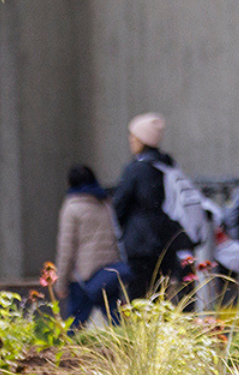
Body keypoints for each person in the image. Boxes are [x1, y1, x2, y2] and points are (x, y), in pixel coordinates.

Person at [110, 112, 195, 299]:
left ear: (142, 139)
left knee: (139, 297)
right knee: (160, 294)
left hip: (140, 243)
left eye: (133, 136)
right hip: (167, 239)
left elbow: (119, 205)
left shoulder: (136, 170)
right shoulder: (168, 166)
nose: (130, 140)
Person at [53, 165, 129, 331]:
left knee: (74, 325)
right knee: (116, 321)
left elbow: (66, 249)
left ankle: (68, 356)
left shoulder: (71, 207)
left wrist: (61, 283)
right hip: (109, 273)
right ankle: (129, 352)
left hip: (83, 278)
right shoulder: (106, 203)